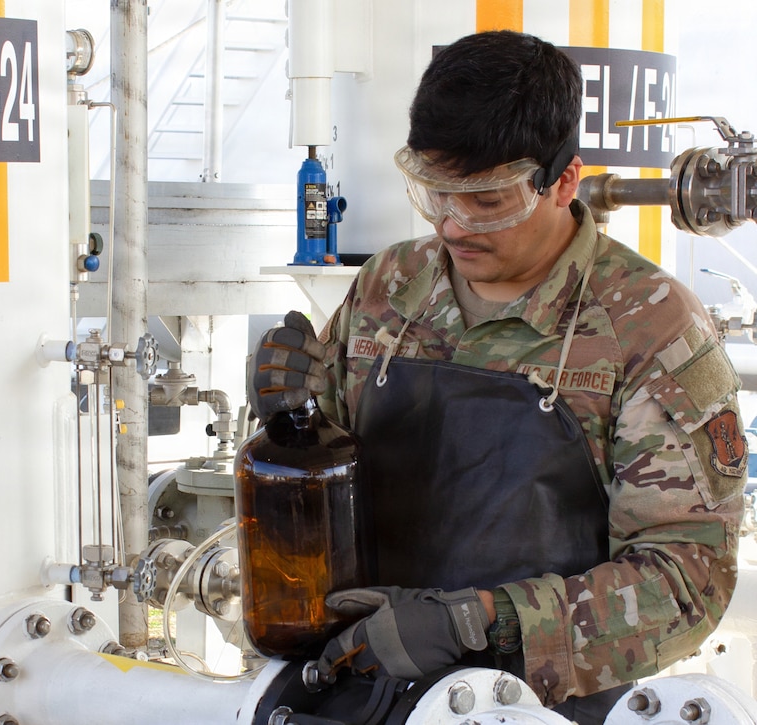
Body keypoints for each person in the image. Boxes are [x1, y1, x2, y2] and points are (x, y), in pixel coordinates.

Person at [248, 30, 746, 723]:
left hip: (539, 705)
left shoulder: (649, 328)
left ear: (563, 181)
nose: (453, 226)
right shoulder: (392, 285)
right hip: (362, 681)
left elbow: (687, 581)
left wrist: (479, 623)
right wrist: (284, 415)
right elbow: (321, 477)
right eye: (436, 193)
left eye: (487, 201)